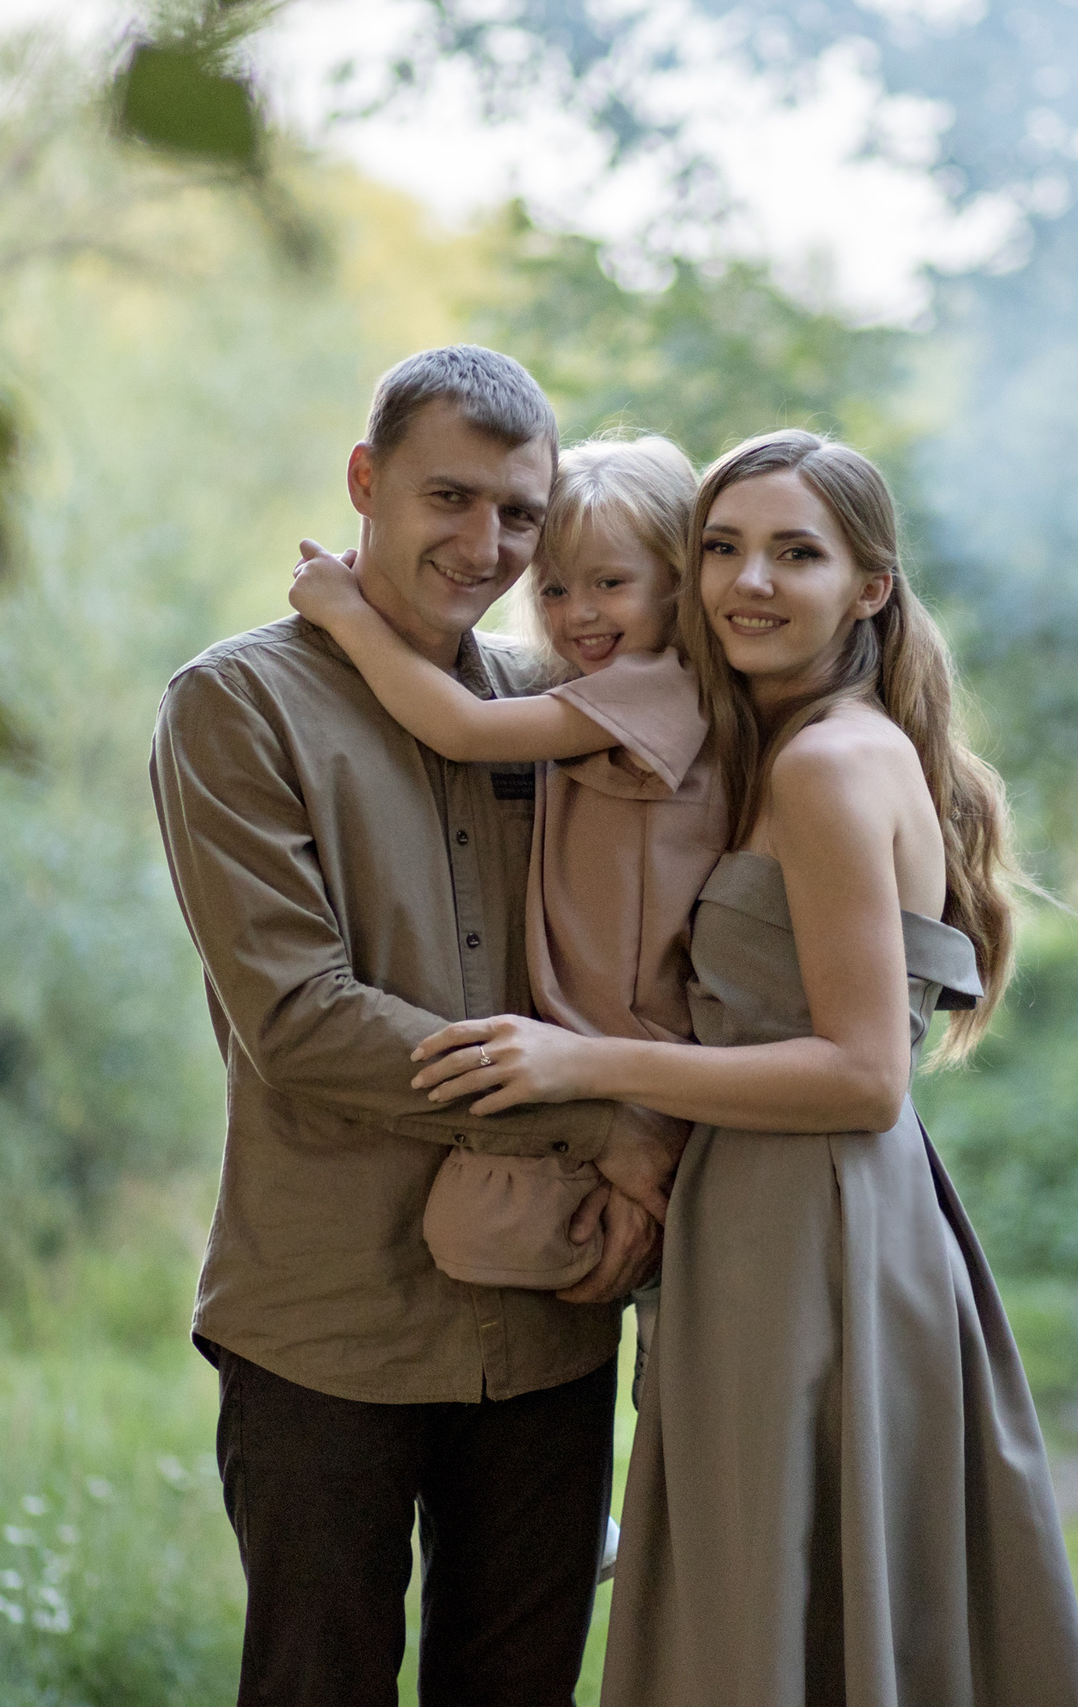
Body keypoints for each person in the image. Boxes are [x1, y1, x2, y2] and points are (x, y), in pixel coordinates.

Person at [411, 430, 1078, 1706]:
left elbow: (859, 1076)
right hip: (806, 1219)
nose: (749, 582)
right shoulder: (804, 743)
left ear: (870, 587)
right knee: (788, 1603)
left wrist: (583, 1062)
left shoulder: (832, 764)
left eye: (797, 553)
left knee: (759, 1614)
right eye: (722, 548)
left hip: (808, 1229)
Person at [148, 346, 676, 1707]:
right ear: (366, 481)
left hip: (550, 1314)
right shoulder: (236, 704)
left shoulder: (552, 712)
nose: (486, 543)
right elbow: (302, 1019)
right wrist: (599, 1113)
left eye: (518, 513)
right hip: (330, 1319)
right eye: (451, 497)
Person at [286, 434, 716, 1388]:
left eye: (612, 585)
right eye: (557, 590)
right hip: (601, 1033)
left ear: (681, 588)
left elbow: (462, 727)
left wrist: (347, 615)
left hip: (631, 1038)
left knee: (494, 1234)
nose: (578, 615)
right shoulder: (603, 690)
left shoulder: (660, 689)